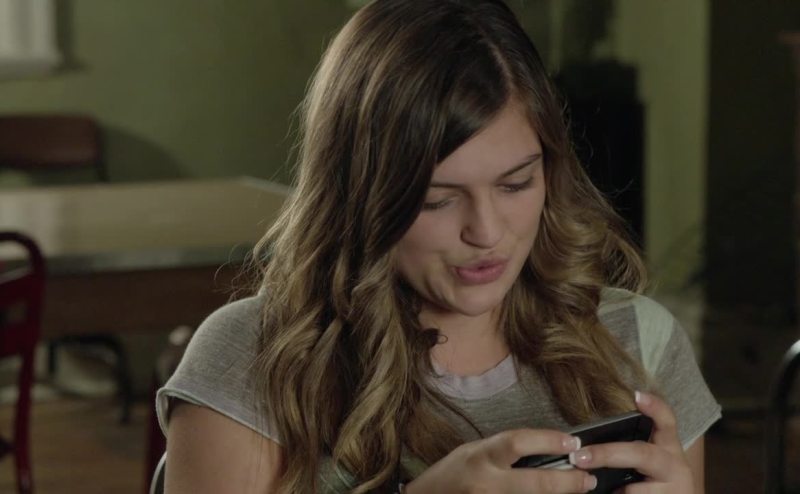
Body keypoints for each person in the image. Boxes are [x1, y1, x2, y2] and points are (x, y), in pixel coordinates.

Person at [156, 0, 721, 492]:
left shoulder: (638, 342)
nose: (487, 232)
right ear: (360, 196)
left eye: (516, 184)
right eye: (437, 200)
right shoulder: (255, 360)